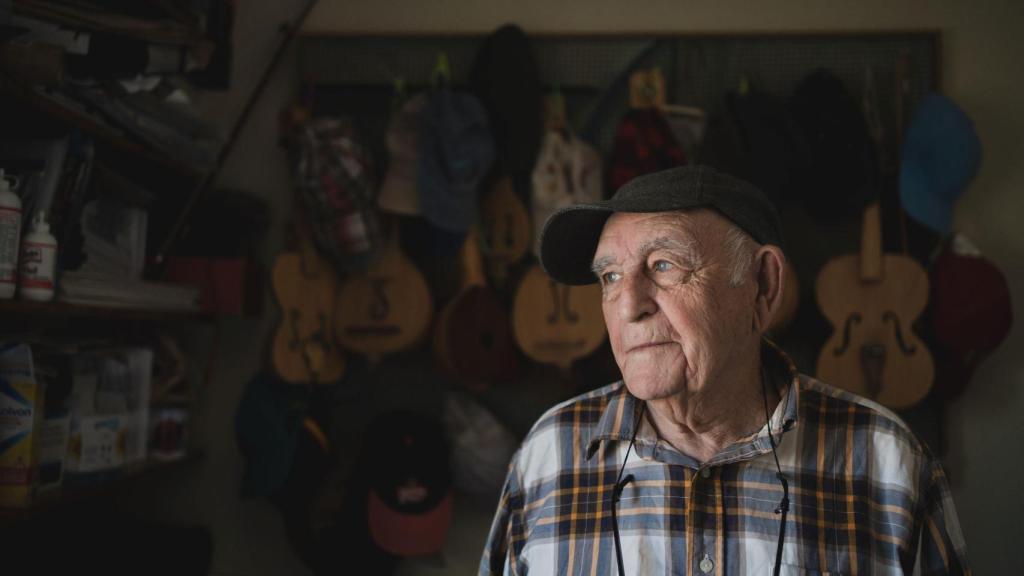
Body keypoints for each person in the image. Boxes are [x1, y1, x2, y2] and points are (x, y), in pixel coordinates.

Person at [479, 166, 969, 575]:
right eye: (610, 276)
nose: (628, 306)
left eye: (664, 266)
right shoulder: (549, 456)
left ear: (762, 286)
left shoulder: (887, 463)